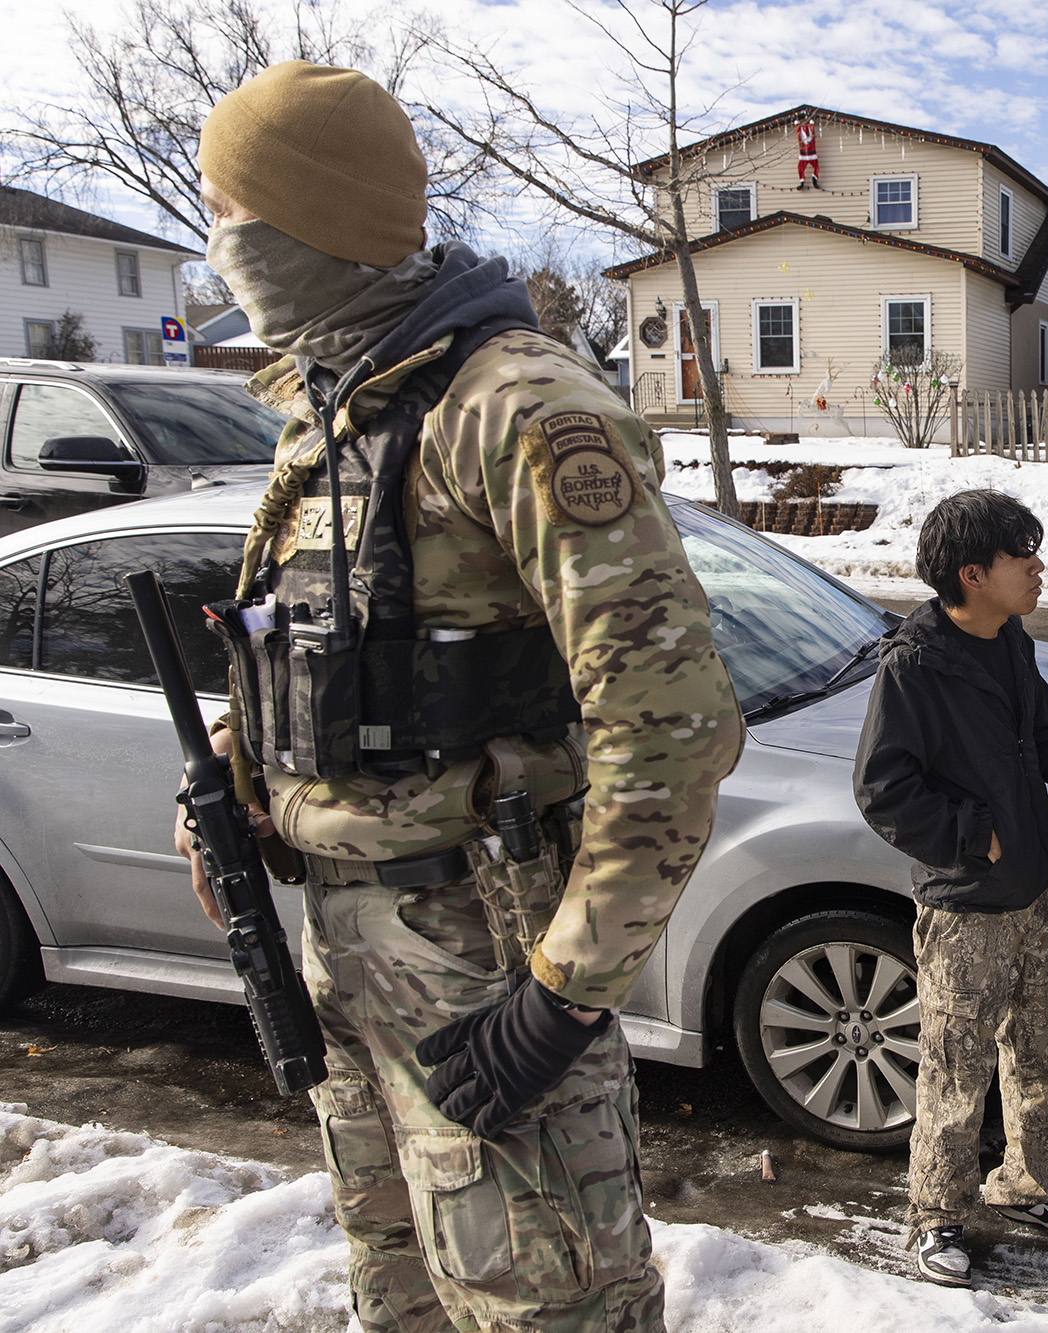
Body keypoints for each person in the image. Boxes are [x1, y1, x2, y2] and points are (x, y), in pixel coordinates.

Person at [174, 61, 743, 1333]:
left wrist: (563, 994)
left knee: (543, 1303)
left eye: (224, 208)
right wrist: (238, 772)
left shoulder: (515, 408)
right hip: (346, 949)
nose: (212, 241)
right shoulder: (329, 406)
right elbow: (330, 642)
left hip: (481, 955)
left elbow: (672, 727)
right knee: (400, 1288)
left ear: (297, 221)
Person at [852, 489, 1048, 1288]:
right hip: (965, 907)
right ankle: (937, 1215)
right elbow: (884, 791)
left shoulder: (1009, 637)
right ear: (972, 573)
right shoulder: (915, 667)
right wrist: (973, 834)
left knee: (1039, 1054)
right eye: (1020, 556)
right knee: (955, 1068)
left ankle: (1031, 1185)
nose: (1038, 566)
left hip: (1033, 890)